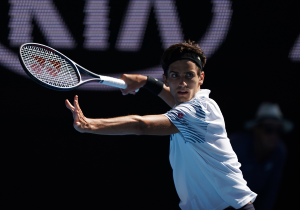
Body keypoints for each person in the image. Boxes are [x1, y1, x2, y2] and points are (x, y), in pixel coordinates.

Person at [65, 40, 257, 210]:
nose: (182, 82)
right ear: (166, 78)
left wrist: (90, 125)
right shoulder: (187, 106)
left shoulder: (201, 109)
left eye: (189, 76)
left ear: (201, 78)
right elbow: (173, 98)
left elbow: (142, 125)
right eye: (175, 75)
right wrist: (146, 81)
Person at [230, 103, 293, 210]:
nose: (274, 135)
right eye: (269, 129)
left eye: (278, 131)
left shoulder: (279, 152)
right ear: (256, 129)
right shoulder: (234, 146)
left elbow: (270, 192)